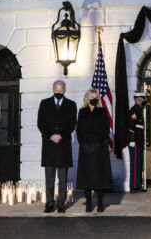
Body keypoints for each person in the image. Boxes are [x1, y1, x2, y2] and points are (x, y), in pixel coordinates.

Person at [36, 80, 77, 213]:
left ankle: (61, 204)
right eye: (57, 90)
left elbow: (72, 124)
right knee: (49, 178)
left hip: (63, 145)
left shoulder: (71, 105)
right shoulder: (44, 103)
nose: (59, 92)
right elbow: (40, 123)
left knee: (63, 179)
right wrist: (51, 135)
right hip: (49, 146)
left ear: (64, 90)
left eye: (61, 90)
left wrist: (61, 136)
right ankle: (49, 204)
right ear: (53, 89)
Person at [75, 88, 113, 213]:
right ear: (87, 98)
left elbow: (106, 129)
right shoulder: (82, 111)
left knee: (99, 177)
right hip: (85, 149)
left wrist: (98, 143)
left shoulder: (102, 111)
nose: (93, 99)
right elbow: (79, 130)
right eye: (91, 97)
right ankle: (89, 203)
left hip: (99, 149)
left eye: (95, 97)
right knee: (87, 177)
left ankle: (100, 202)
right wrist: (84, 143)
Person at [127, 91, 146, 192]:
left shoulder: (139, 110)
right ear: (138, 99)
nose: (143, 100)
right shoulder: (134, 111)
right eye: (142, 99)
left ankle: (138, 184)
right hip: (135, 142)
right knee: (134, 165)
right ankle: (134, 186)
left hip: (139, 142)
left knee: (138, 164)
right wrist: (132, 140)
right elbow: (131, 127)